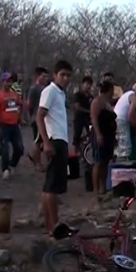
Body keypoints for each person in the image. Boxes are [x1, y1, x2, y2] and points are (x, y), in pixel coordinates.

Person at [36, 59, 73, 233]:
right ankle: (54, 225)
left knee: (51, 186)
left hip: (60, 139)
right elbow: (39, 116)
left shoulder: (61, 93)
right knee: (52, 187)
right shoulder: (50, 91)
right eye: (62, 75)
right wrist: (46, 142)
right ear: (55, 75)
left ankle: (51, 226)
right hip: (54, 140)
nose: (65, 78)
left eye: (68, 76)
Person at [0, 73, 24, 180]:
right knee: (5, 149)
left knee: (19, 148)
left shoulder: (14, 95)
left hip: (14, 125)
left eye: (11, 81)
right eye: (7, 81)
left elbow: (20, 105)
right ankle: (5, 169)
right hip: (4, 126)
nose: (9, 84)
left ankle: (12, 164)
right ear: (2, 82)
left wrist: (20, 117)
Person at [91, 81, 118, 200]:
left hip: (109, 135)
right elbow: (94, 118)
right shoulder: (97, 101)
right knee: (98, 162)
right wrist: (98, 134)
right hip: (100, 134)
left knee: (106, 162)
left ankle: (103, 187)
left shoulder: (107, 102)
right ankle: (96, 190)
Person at [114, 81, 136, 161]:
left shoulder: (126, 94)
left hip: (116, 118)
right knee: (125, 147)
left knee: (120, 144)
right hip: (121, 120)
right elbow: (130, 115)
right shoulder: (134, 97)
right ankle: (122, 163)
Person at [26, 66, 49, 171]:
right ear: (37, 76)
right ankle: (38, 163)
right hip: (36, 119)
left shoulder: (45, 89)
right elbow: (29, 104)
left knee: (42, 140)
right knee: (38, 141)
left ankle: (33, 156)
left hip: (45, 119)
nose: (45, 79)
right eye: (43, 76)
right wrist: (32, 117)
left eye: (46, 77)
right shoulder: (34, 89)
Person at [72, 76, 93, 150]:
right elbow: (77, 107)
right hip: (79, 118)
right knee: (77, 135)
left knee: (91, 134)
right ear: (82, 84)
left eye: (90, 85)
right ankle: (76, 151)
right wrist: (89, 111)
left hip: (88, 118)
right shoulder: (77, 95)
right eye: (87, 84)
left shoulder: (91, 96)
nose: (88, 86)